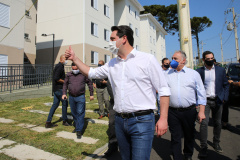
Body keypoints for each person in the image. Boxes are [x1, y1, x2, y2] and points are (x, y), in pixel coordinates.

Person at [65, 25, 171, 160]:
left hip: (142, 121)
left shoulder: (147, 60)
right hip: (120, 121)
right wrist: (75, 58)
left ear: (124, 39)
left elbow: (163, 90)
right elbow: (91, 72)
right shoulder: (112, 64)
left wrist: (163, 119)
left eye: (112, 39)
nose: (110, 42)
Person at [165, 50, 206, 160]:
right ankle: (177, 157)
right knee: (175, 136)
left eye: (175, 59)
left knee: (189, 135)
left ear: (183, 61)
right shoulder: (166, 74)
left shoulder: (193, 74)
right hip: (173, 111)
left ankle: (188, 155)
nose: (172, 61)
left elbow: (201, 93)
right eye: (172, 58)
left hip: (189, 111)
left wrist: (201, 111)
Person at [197, 51, 229, 158]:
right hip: (205, 101)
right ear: (203, 60)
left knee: (218, 123)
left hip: (218, 100)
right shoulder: (199, 71)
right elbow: (196, 87)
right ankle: (203, 147)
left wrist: (224, 97)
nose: (210, 60)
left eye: (212, 58)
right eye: (208, 58)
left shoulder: (220, 70)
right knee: (204, 123)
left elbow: (225, 85)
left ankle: (216, 143)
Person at [62, 63, 94, 139]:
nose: (75, 70)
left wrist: (91, 94)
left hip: (81, 97)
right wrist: (64, 93)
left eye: (76, 69)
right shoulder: (69, 74)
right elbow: (65, 84)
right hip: (71, 97)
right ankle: (76, 126)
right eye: (73, 69)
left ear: (78, 67)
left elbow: (89, 83)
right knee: (74, 113)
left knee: (80, 112)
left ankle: (79, 130)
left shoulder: (83, 74)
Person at [45, 55, 70, 128]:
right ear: (61, 59)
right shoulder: (59, 66)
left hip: (56, 89)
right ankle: (65, 120)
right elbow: (57, 78)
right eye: (65, 59)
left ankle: (48, 122)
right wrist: (65, 81)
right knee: (65, 103)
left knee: (55, 105)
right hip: (59, 89)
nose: (66, 60)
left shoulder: (59, 66)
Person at [103, 81, 118, 157]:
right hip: (114, 102)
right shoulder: (112, 70)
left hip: (128, 102)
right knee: (112, 123)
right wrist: (117, 98)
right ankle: (113, 145)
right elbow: (109, 85)